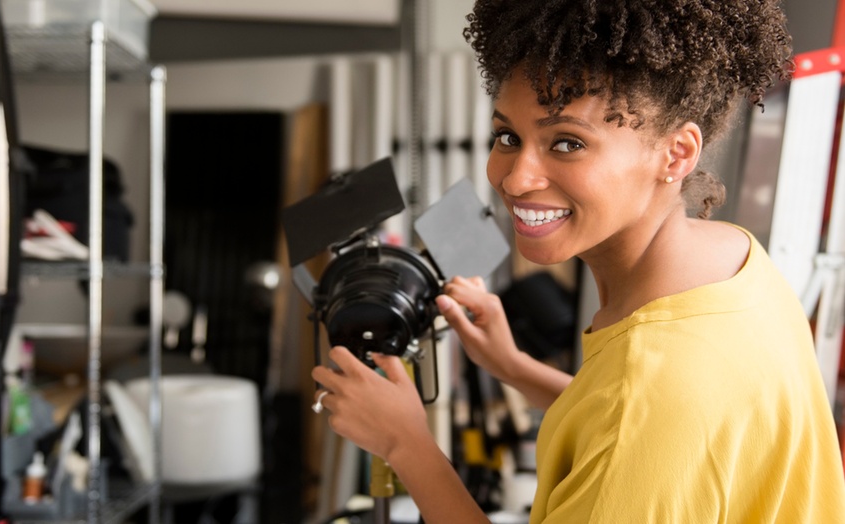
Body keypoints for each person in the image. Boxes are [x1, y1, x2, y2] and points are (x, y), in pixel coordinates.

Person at [311, 0, 845, 522]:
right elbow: (630, 427)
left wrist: (405, 445)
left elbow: (640, 419)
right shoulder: (733, 259)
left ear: (676, 154)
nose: (516, 179)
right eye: (507, 137)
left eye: (567, 143)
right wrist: (513, 367)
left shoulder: (652, 395)